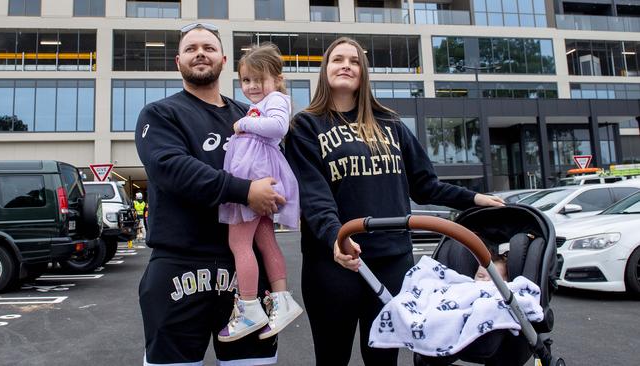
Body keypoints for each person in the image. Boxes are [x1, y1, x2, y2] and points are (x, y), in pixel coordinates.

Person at [284, 37, 505, 366]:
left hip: (392, 262)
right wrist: (336, 237)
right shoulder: (305, 125)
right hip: (335, 265)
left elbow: (425, 185)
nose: (346, 65)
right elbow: (316, 198)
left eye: (354, 61)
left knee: (383, 360)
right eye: (337, 59)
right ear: (324, 69)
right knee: (332, 358)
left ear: (363, 72)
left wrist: (473, 198)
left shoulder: (390, 124)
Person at [134, 23, 284, 366]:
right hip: (178, 266)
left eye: (208, 47)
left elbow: (278, 166)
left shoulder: (249, 116)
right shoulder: (160, 114)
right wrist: (245, 192)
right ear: (178, 62)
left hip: (245, 274)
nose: (200, 53)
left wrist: (281, 192)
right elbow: (171, 169)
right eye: (191, 48)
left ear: (223, 59)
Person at [217, 43, 303, 342]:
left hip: (257, 175)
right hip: (258, 172)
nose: (252, 86)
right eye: (246, 80)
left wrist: (244, 123)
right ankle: (281, 301)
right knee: (264, 240)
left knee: (239, 242)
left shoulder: (276, 99)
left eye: (259, 79)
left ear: (277, 78)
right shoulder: (264, 101)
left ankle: (250, 306)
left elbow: (279, 127)